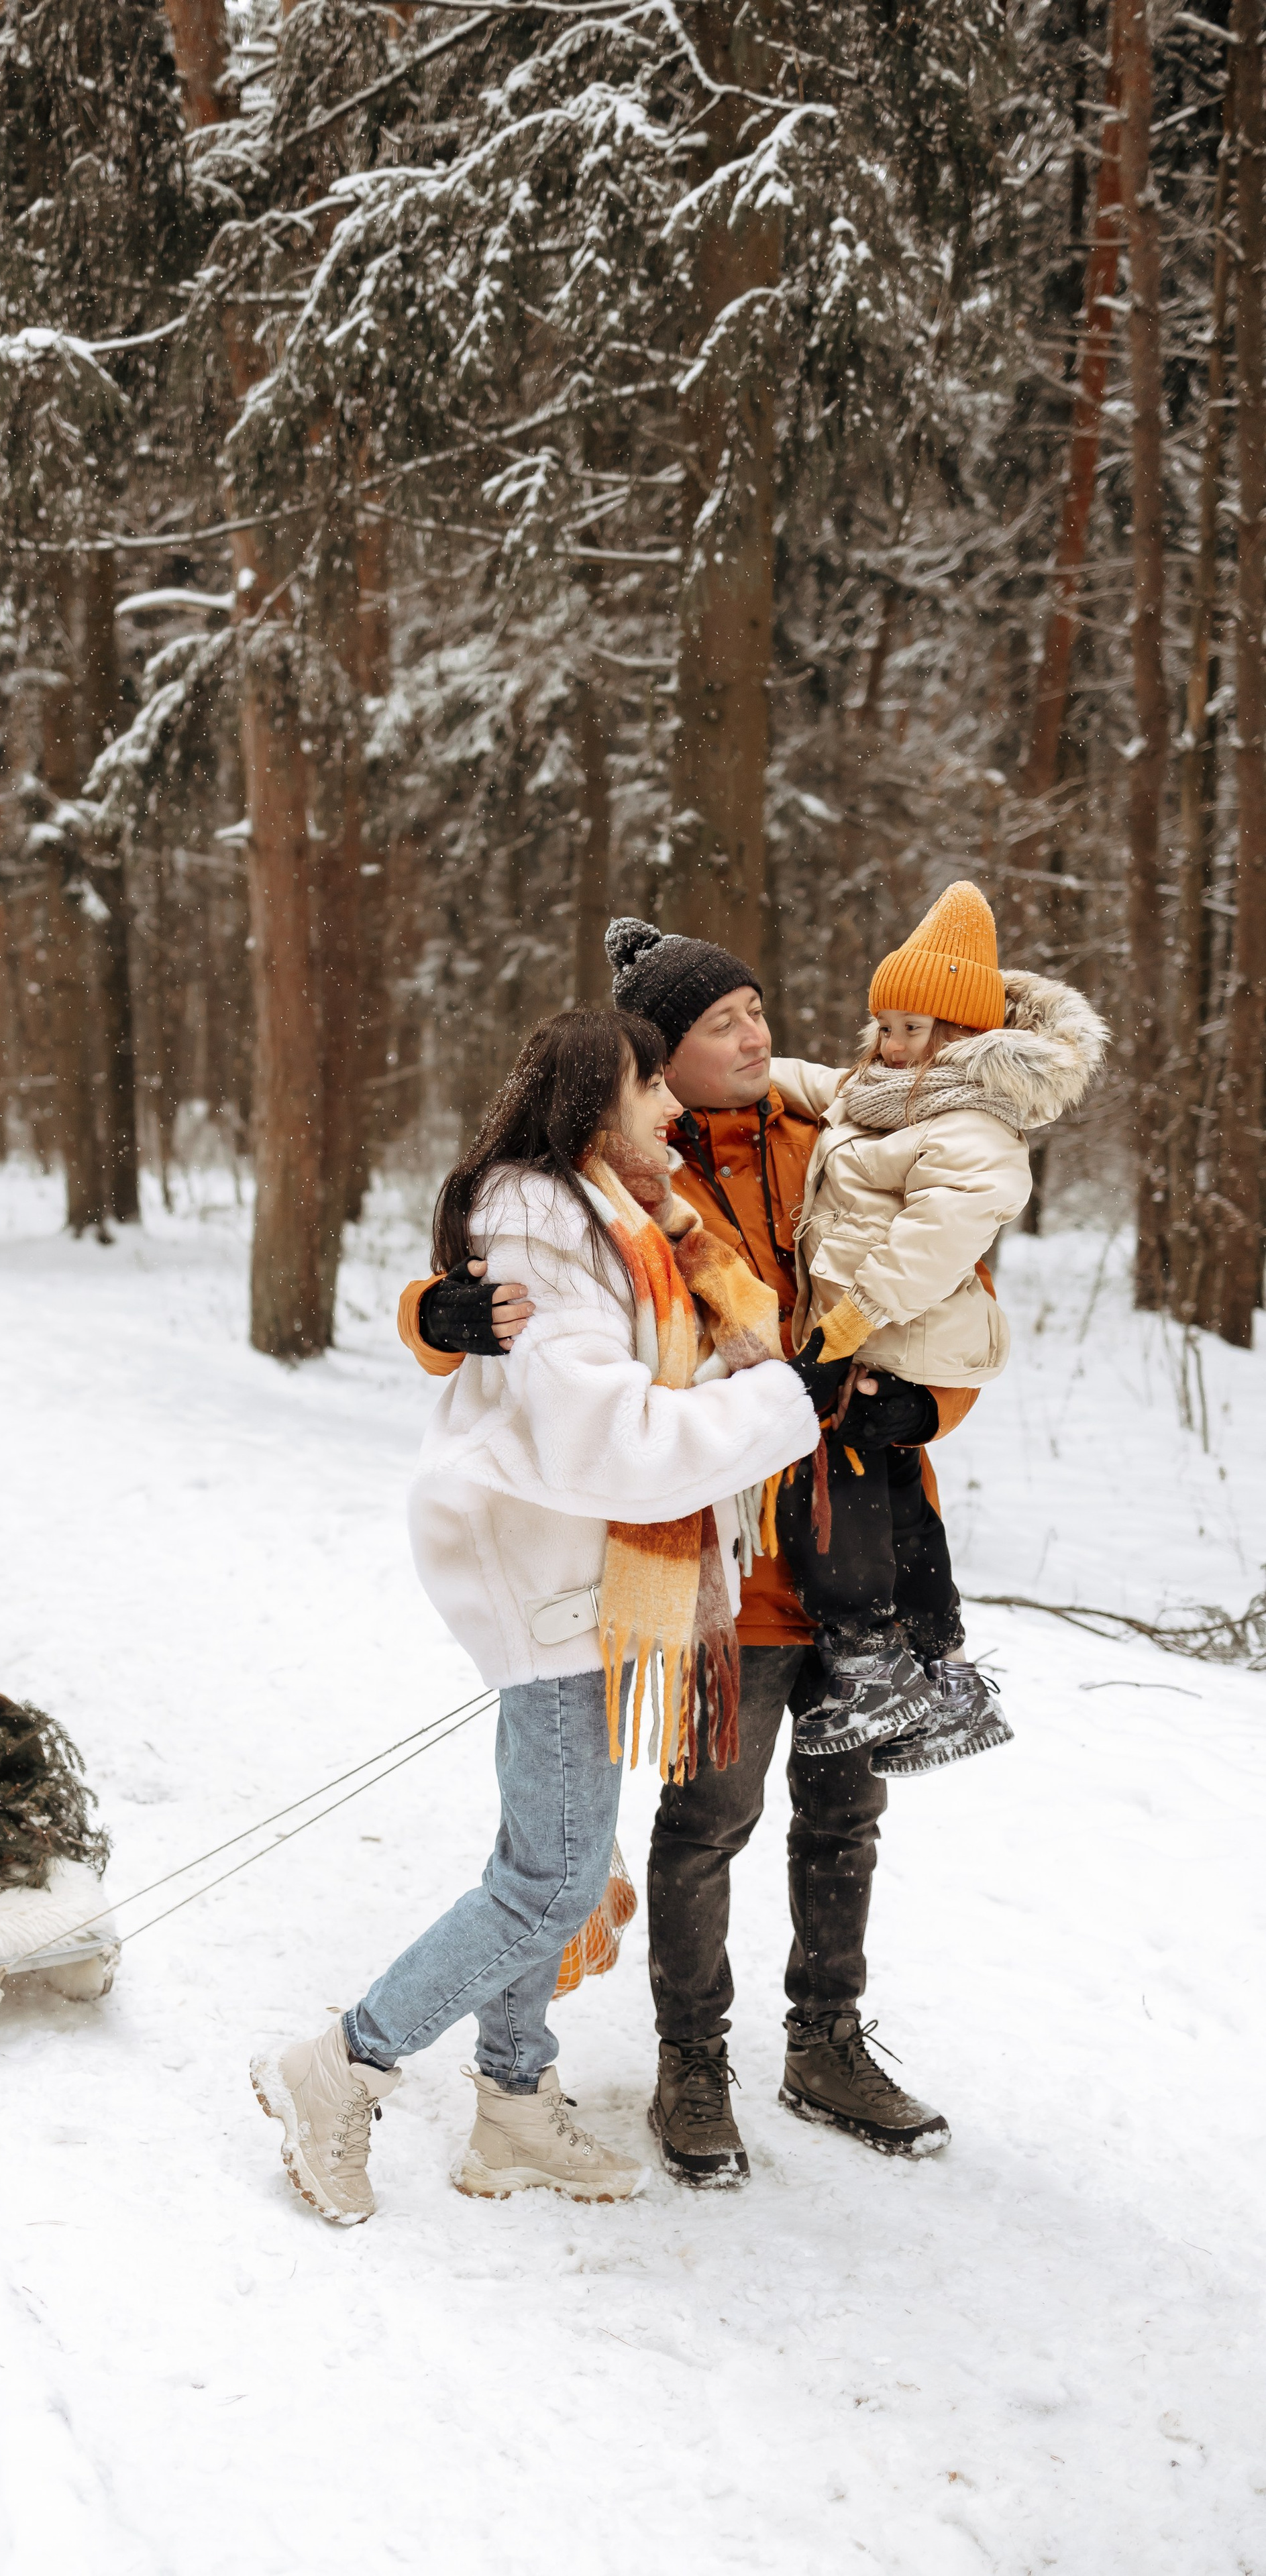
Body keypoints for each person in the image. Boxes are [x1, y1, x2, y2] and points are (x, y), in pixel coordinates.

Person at [399, 924, 1000, 2182]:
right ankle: (692, 2061)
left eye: (761, 1013)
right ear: (656, 1058)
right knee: (710, 1812)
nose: (761, 1037)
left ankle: (827, 2038)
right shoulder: (621, 1178)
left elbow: (955, 1298)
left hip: (867, 1526)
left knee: (847, 1808)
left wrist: (924, 1410)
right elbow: (519, 1300)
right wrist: (437, 1316)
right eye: (725, 1023)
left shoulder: (835, 1136)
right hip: (725, 1540)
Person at [252, 1007, 823, 2226]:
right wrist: (785, 1402)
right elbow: (606, 1434)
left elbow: (646, 1372)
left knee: (545, 1861)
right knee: (556, 1880)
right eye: (651, 1086)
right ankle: (344, 2062)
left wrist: (769, 1378)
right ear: (590, 1106)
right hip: (555, 1576)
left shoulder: (624, 1218)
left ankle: (513, 2104)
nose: (674, 1105)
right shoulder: (546, 1224)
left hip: (591, 1581)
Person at [766, 881, 1108, 1768]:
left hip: (899, 1323)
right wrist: (716, 1053)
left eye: (913, 1027)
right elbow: (815, 1084)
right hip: (879, 1324)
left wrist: (850, 1319)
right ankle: (940, 1664)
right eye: (884, 1023)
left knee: (834, 1473)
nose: (890, 1042)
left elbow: (938, 1237)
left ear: (965, 1034)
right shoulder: (883, 1091)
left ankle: (871, 1655)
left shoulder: (975, 1122)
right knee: (896, 1485)